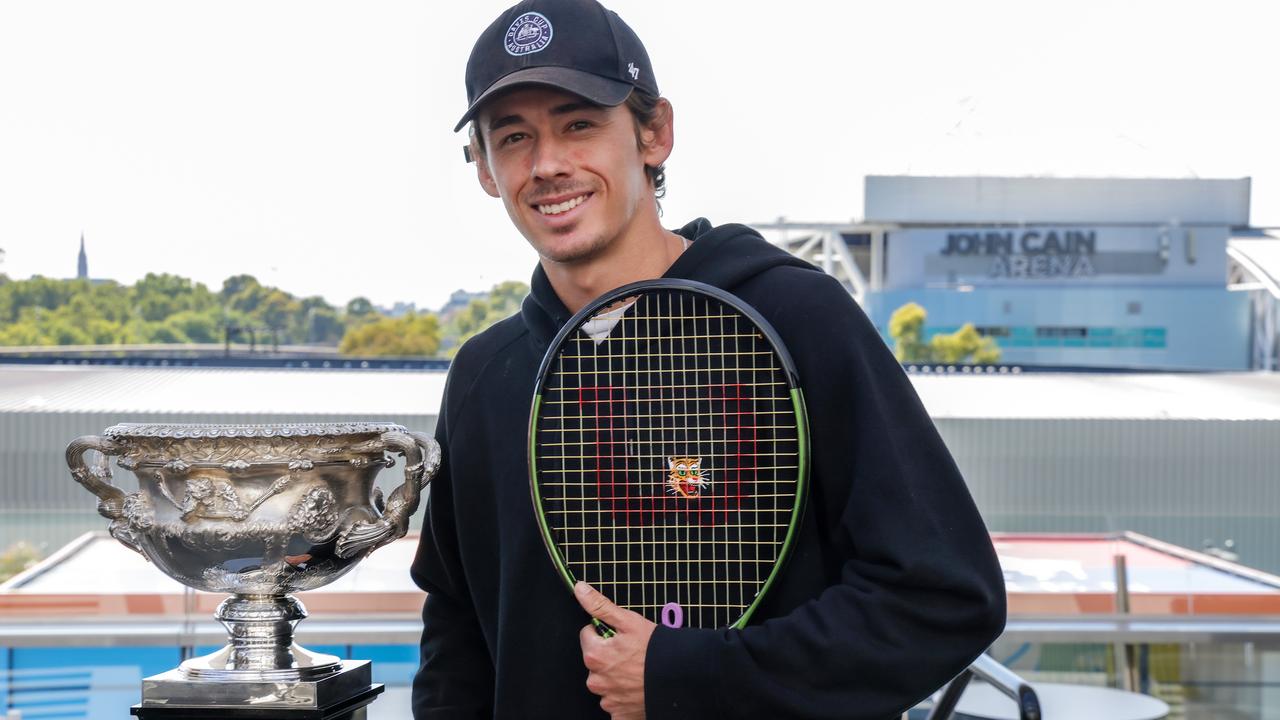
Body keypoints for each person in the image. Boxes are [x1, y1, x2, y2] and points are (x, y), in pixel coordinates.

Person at [411, 1, 1007, 718]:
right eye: (512, 138)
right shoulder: (484, 374)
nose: (547, 165)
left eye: (580, 124)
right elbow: (456, 629)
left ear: (654, 133)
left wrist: (692, 676)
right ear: (483, 169)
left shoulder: (797, 319)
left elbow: (941, 597)